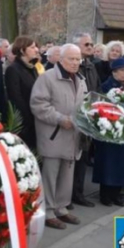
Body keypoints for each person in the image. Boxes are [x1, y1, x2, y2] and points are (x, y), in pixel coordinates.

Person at [30, 44, 88, 230]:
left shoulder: (81, 79)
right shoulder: (47, 78)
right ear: (60, 59)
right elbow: (39, 105)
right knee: (50, 176)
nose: (75, 62)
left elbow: (85, 105)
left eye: (78, 59)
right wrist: (60, 119)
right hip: (54, 136)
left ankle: (61, 208)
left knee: (66, 176)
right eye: (71, 58)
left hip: (73, 137)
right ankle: (46, 211)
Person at [93, 58, 124, 206]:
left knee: (123, 162)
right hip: (109, 130)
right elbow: (99, 105)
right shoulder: (106, 86)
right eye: (123, 70)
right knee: (109, 162)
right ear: (114, 71)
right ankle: (105, 194)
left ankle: (117, 193)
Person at [71, 33, 99, 208]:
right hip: (74, 116)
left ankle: (78, 193)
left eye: (91, 44)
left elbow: (97, 88)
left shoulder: (91, 66)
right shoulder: (73, 67)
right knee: (72, 159)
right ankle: (68, 196)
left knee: (84, 156)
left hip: (89, 116)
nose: (90, 47)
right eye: (86, 44)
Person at [4, 36, 40, 151]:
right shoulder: (13, 69)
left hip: (35, 120)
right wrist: (30, 116)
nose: (37, 50)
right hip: (23, 123)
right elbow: (16, 97)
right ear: (22, 50)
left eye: (36, 47)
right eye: (32, 47)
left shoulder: (33, 69)